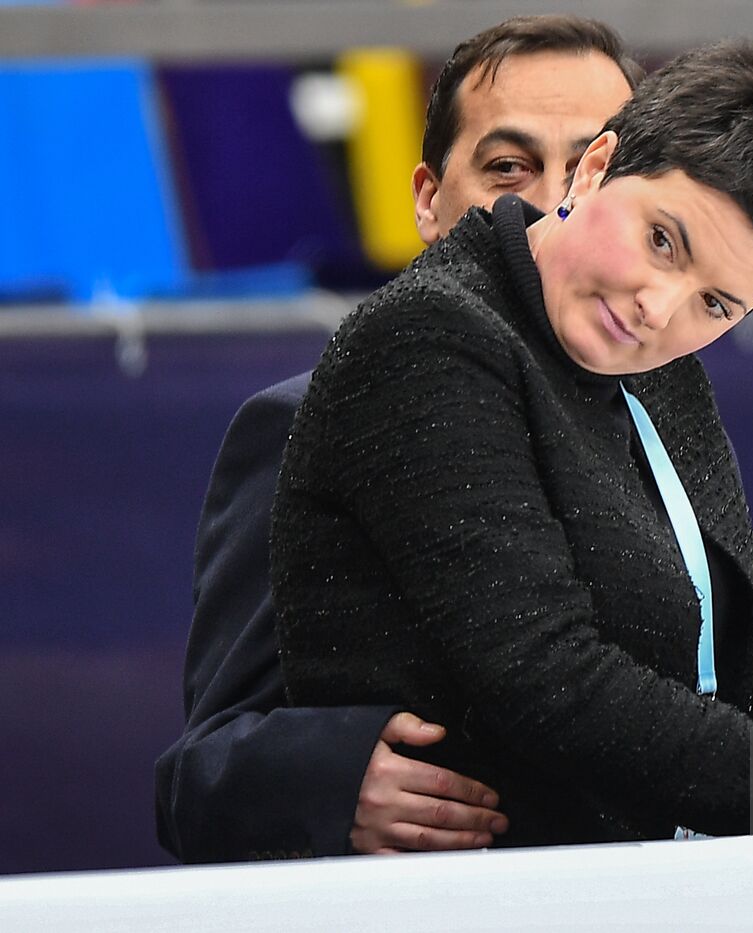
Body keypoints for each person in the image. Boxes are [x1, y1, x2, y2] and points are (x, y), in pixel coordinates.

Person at [271, 39, 753, 847]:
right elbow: (548, 681)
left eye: (717, 304)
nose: (659, 309)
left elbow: (752, 624)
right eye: (663, 241)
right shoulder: (427, 337)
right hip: (481, 894)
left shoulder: (657, 365)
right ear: (594, 169)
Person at [155, 15, 642, 862]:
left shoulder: (664, 429)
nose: (554, 206)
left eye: (593, 169)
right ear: (428, 199)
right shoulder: (318, 419)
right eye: (508, 167)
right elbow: (196, 784)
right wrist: (334, 777)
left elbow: (724, 726)